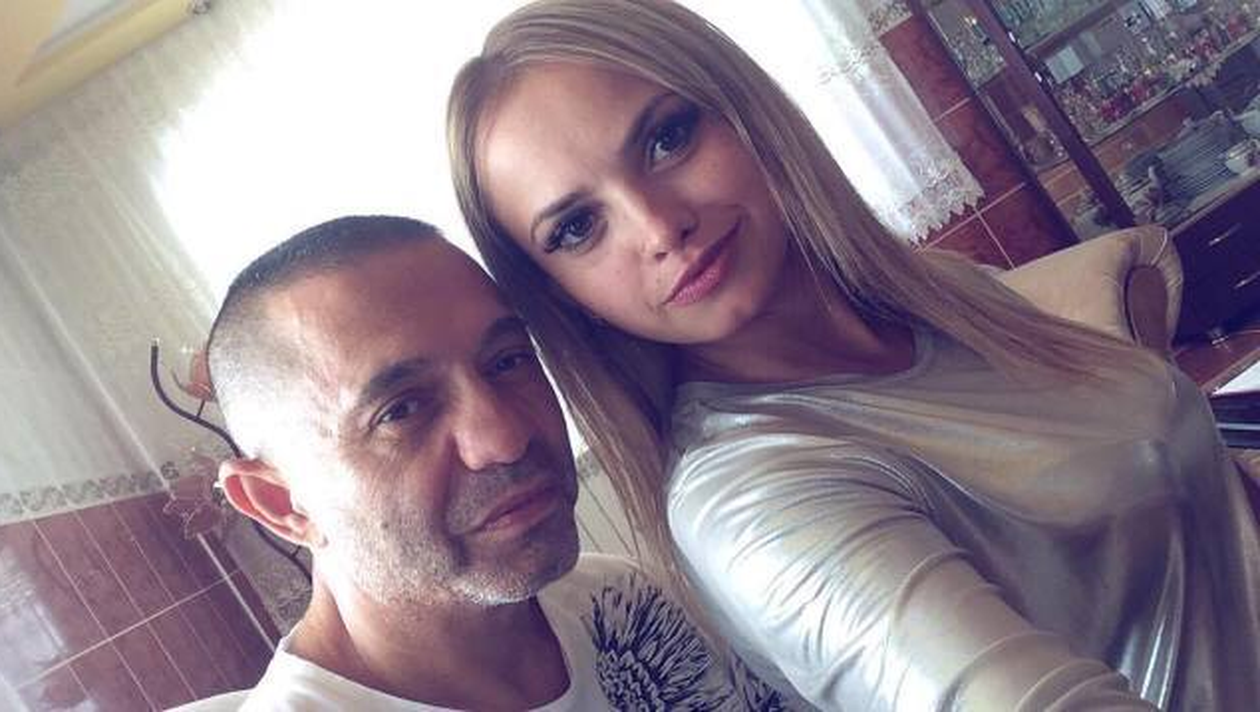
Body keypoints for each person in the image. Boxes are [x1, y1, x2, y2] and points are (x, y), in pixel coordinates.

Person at [446, 1, 1260, 709]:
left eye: (667, 138)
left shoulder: (940, 296)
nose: (659, 228)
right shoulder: (755, 500)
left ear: (747, 110)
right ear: (560, 295)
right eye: (577, 228)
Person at [200, 215, 786, 711]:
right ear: (282, 504)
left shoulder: (619, 602)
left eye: (507, 361)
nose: (505, 438)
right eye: (401, 410)